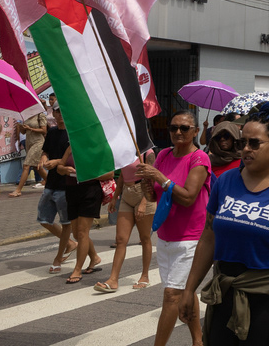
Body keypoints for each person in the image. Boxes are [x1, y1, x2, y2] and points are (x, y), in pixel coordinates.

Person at [178, 101, 269, 346]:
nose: (246, 149)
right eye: (242, 142)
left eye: (254, 143)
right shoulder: (226, 182)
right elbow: (208, 238)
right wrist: (189, 289)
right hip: (225, 293)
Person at [138, 111, 211, 346]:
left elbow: (188, 197)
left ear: (196, 131)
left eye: (184, 128)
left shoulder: (199, 159)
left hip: (191, 239)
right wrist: (147, 187)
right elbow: (155, 196)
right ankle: (198, 340)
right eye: (173, 128)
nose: (178, 132)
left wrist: (159, 177)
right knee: (184, 290)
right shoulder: (164, 155)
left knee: (172, 295)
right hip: (166, 236)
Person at [94, 148, 157, 293]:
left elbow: (152, 179)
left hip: (144, 193)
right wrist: (114, 197)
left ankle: (145, 276)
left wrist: (144, 202)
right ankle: (113, 279)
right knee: (121, 239)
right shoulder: (124, 150)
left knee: (145, 238)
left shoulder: (148, 153)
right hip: (127, 195)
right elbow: (122, 175)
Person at [57, 137, 108, 284]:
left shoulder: (98, 147)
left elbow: (109, 174)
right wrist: (64, 170)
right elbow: (59, 167)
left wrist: (87, 173)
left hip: (90, 191)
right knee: (76, 233)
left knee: (82, 233)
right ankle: (94, 257)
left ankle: (77, 269)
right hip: (72, 191)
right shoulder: (72, 146)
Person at [37, 105, 78, 275]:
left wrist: (57, 162)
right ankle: (71, 243)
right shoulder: (52, 132)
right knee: (43, 219)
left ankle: (58, 258)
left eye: (62, 110)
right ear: (53, 113)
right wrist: (44, 159)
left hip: (66, 183)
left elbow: (74, 157)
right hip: (51, 183)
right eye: (57, 111)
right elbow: (45, 151)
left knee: (66, 222)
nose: (60, 114)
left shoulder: (73, 133)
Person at [9, 110, 48, 197]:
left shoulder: (40, 115)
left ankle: (18, 190)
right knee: (37, 167)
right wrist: (21, 126)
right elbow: (23, 132)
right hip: (29, 142)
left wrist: (30, 128)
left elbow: (44, 130)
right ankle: (52, 183)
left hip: (38, 142)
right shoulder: (26, 116)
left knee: (26, 165)